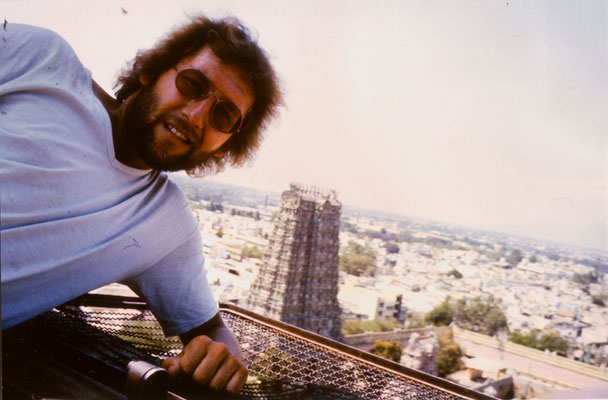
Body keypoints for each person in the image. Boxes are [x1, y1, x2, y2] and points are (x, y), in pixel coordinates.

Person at [0, 15, 281, 394]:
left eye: (223, 115)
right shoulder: (43, 60)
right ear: (152, 71)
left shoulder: (164, 223)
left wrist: (222, 357)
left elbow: (211, 329)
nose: (196, 116)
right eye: (193, 84)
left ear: (225, 145)